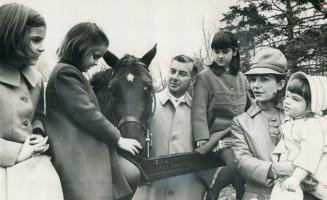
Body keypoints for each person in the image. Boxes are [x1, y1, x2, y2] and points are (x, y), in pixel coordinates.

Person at [45, 22, 142, 200]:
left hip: (86, 142)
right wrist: (117, 138)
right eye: (95, 56)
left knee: (132, 174)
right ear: (79, 48)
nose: (97, 63)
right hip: (74, 149)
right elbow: (86, 113)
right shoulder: (65, 73)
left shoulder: (75, 72)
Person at [231, 48, 319, 200]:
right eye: (252, 79)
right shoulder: (241, 122)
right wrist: (275, 169)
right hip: (259, 195)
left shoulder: (299, 115)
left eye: (264, 79)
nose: (256, 85)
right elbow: (242, 161)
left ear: (280, 84)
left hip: (302, 192)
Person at [0, 3, 63, 200]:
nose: (42, 47)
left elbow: (38, 115)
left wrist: (37, 132)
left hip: (33, 163)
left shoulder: (35, 80)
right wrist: (15, 153)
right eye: (35, 40)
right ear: (12, 38)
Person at [133, 55, 206, 200]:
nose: (175, 77)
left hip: (187, 191)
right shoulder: (148, 104)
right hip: (150, 191)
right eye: (172, 71)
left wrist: (203, 183)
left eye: (182, 74)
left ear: (192, 80)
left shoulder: (199, 111)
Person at [191, 29, 249, 200]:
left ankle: (241, 195)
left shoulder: (241, 77)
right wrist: (201, 135)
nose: (220, 56)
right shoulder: (205, 76)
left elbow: (249, 106)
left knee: (245, 169)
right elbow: (199, 108)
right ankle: (213, 193)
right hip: (219, 134)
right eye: (217, 52)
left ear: (235, 52)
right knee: (235, 163)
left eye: (225, 51)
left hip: (242, 133)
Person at [270, 72, 327, 200]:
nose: (287, 102)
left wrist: (297, 177)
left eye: (296, 99)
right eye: (287, 96)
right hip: (295, 174)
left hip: (313, 175)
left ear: (311, 106)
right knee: (283, 192)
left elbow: (310, 152)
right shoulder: (293, 122)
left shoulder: (312, 125)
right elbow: (283, 147)